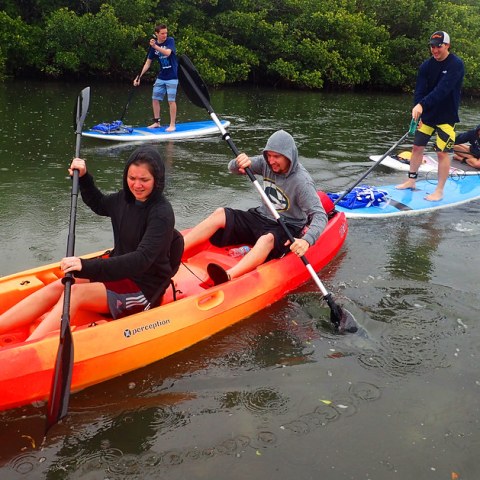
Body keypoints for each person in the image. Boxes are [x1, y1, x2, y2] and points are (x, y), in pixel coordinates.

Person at [0, 146, 183, 340]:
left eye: (144, 180)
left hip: (142, 288)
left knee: (76, 293)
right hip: (118, 275)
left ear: (157, 180)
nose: (137, 185)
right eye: (132, 178)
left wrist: (85, 266)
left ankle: (29, 348)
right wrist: (85, 178)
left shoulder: (161, 213)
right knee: (61, 284)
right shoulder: (125, 199)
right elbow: (99, 203)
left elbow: (141, 260)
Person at [182, 130, 328, 285]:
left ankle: (227, 276)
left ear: (289, 156)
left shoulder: (302, 182)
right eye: (269, 155)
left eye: (276, 157)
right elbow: (232, 168)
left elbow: (320, 215)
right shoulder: (265, 163)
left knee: (267, 239)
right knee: (220, 214)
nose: (271, 161)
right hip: (261, 216)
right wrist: (239, 162)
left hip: (287, 226)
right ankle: (174, 250)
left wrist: (307, 240)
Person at [396, 31, 464, 201]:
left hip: (447, 117)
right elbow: (419, 91)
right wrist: (417, 111)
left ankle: (439, 191)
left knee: (442, 153)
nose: (434, 50)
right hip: (427, 116)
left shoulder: (456, 64)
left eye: (438, 46)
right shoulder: (426, 66)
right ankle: (411, 181)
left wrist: (422, 105)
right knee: (417, 148)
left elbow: (443, 90)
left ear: (447, 45)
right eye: (432, 46)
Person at [133, 24, 178, 131]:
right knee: (155, 99)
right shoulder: (153, 47)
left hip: (172, 76)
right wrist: (139, 76)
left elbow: (167, 53)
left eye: (166, 33)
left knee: (171, 101)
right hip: (161, 76)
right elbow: (148, 63)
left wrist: (155, 47)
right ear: (156, 34)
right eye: (162, 33)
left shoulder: (170, 41)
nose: (165, 35)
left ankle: (172, 125)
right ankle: (156, 122)